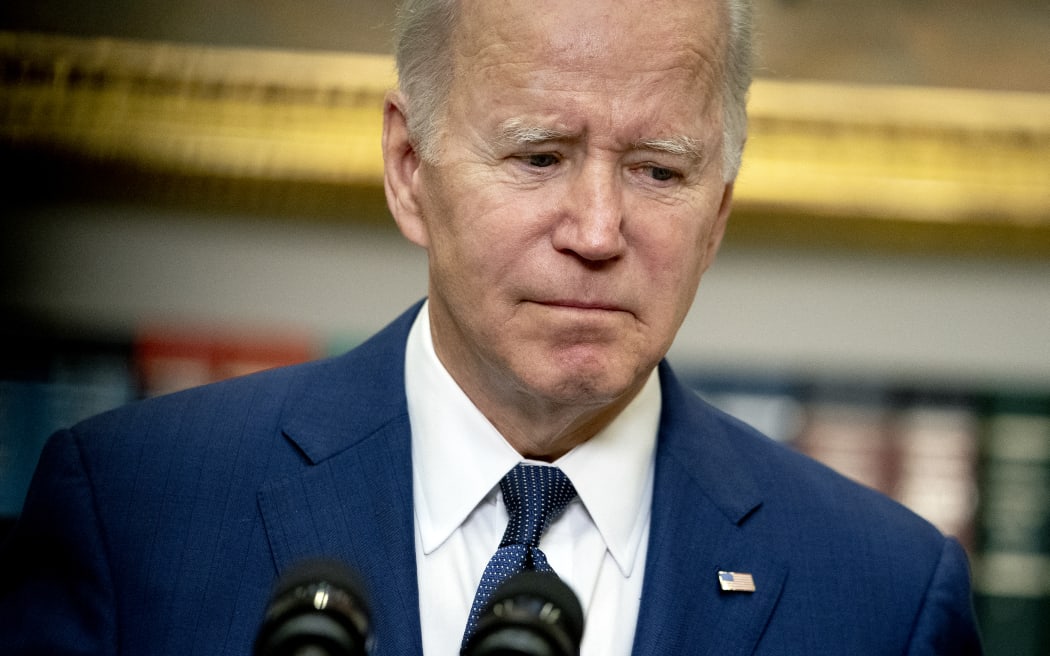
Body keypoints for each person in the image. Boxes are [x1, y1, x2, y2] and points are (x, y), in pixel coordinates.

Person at [0, 0, 982, 654]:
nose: (598, 231)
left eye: (659, 169)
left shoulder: (883, 592)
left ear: (719, 209)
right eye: (540, 156)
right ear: (408, 167)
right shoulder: (134, 510)